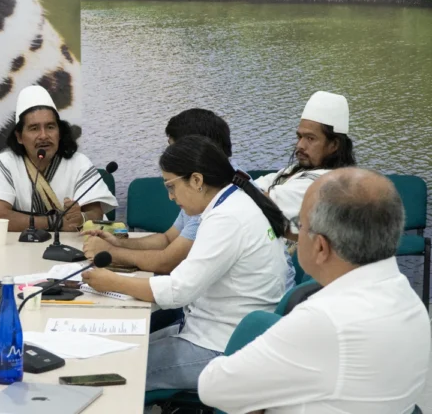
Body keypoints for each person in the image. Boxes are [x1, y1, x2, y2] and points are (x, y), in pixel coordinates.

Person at [198, 168, 430, 414]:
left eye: (300, 223)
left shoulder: (325, 319)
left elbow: (213, 387)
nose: (295, 231)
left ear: (321, 247)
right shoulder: (411, 303)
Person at [82, 135, 290, 391]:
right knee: (114, 349)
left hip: (222, 348)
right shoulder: (234, 201)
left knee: (107, 370)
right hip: (221, 334)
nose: (170, 197)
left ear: (197, 180)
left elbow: (179, 291)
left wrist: (112, 282)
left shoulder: (227, 219)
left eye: (171, 186)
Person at [83, 109, 257, 275]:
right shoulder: (205, 184)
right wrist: (120, 243)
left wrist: (111, 252)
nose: (168, 155)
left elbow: (166, 263)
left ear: (195, 150)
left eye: (173, 149)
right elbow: (168, 239)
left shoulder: (217, 197)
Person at [0, 85, 117, 232]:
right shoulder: (4, 164)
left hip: (69, 247)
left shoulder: (79, 163)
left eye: (50, 127)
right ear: (19, 137)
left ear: (60, 132)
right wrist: (57, 222)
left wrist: (81, 218)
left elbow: (95, 214)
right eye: (34, 128)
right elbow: (0, 218)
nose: (44, 135)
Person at [256, 91, 356, 244]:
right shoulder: (300, 170)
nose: (300, 145)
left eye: (310, 138)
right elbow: (258, 185)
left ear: (334, 145)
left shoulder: (326, 186)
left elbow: (258, 201)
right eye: (299, 137)